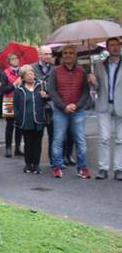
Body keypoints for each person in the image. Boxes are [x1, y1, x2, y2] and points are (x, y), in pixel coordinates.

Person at [48, 45, 92, 179]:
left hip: (78, 111)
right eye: (65, 53)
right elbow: (52, 92)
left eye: (71, 53)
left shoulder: (82, 72)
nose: (68, 55)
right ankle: (57, 166)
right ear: (62, 56)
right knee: (58, 139)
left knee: (80, 140)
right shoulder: (55, 72)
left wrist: (76, 106)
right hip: (60, 111)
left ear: (75, 55)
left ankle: (82, 168)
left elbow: (85, 92)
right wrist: (63, 106)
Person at [88, 37, 122, 181]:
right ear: (107, 48)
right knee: (104, 138)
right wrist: (93, 82)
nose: (114, 47)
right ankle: (103, 168)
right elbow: (96, 88)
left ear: (120, 46)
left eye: (116, 45)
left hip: (121, 104)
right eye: (111, 45)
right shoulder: (100, 65)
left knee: (121, 139)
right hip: (103, 105)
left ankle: (119, 168)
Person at [13, 65, 46, 173]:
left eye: (32, 73)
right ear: (23, 77)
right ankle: (28, 164)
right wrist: (18, 117)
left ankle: (36, 164)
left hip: (39, 119)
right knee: (28, 143)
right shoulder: (19, 90)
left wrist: (46, 96)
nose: (30, 75)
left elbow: (49, 98)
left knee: (37, 143)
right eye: (27, 74)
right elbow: (16, 105)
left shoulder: (41, 86)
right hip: (25, 121)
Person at [31, 46, 55, 165]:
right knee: (37, 136)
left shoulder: (55, 69)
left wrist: (49, 95)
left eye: (50, 54)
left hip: (52, 106)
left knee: (54, 135)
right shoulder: (32, 68)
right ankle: (35, 162)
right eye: (45, 54)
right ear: (39, 55)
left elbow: (58, 88)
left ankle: (53, 161)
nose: (48, 56)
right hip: (38, 107)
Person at [2, 53, 22, 157]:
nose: (15, 60)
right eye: (12, 59)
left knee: (19, 125)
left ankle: (18, 148)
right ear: (9, 61)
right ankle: (8, 148)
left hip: (20, 100)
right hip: (8, 100)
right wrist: (15, 84)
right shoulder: (5, 73)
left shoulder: (22, 72)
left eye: (16, 58)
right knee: (10, 125)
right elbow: (4, 89)